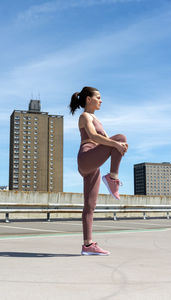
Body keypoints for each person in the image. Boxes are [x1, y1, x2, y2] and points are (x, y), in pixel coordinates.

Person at [68, 86, 128, 256]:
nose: (101, 100)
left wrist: (119, 147)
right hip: (87, 156)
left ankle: (87, 245)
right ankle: (112, 177)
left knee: (90, 206)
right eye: (98, 97)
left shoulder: (96, 117)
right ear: (89, 99)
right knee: (120, 138)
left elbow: (107, 143)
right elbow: (94, 137)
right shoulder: (85, 116)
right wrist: (117, 144)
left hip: (93, 166)